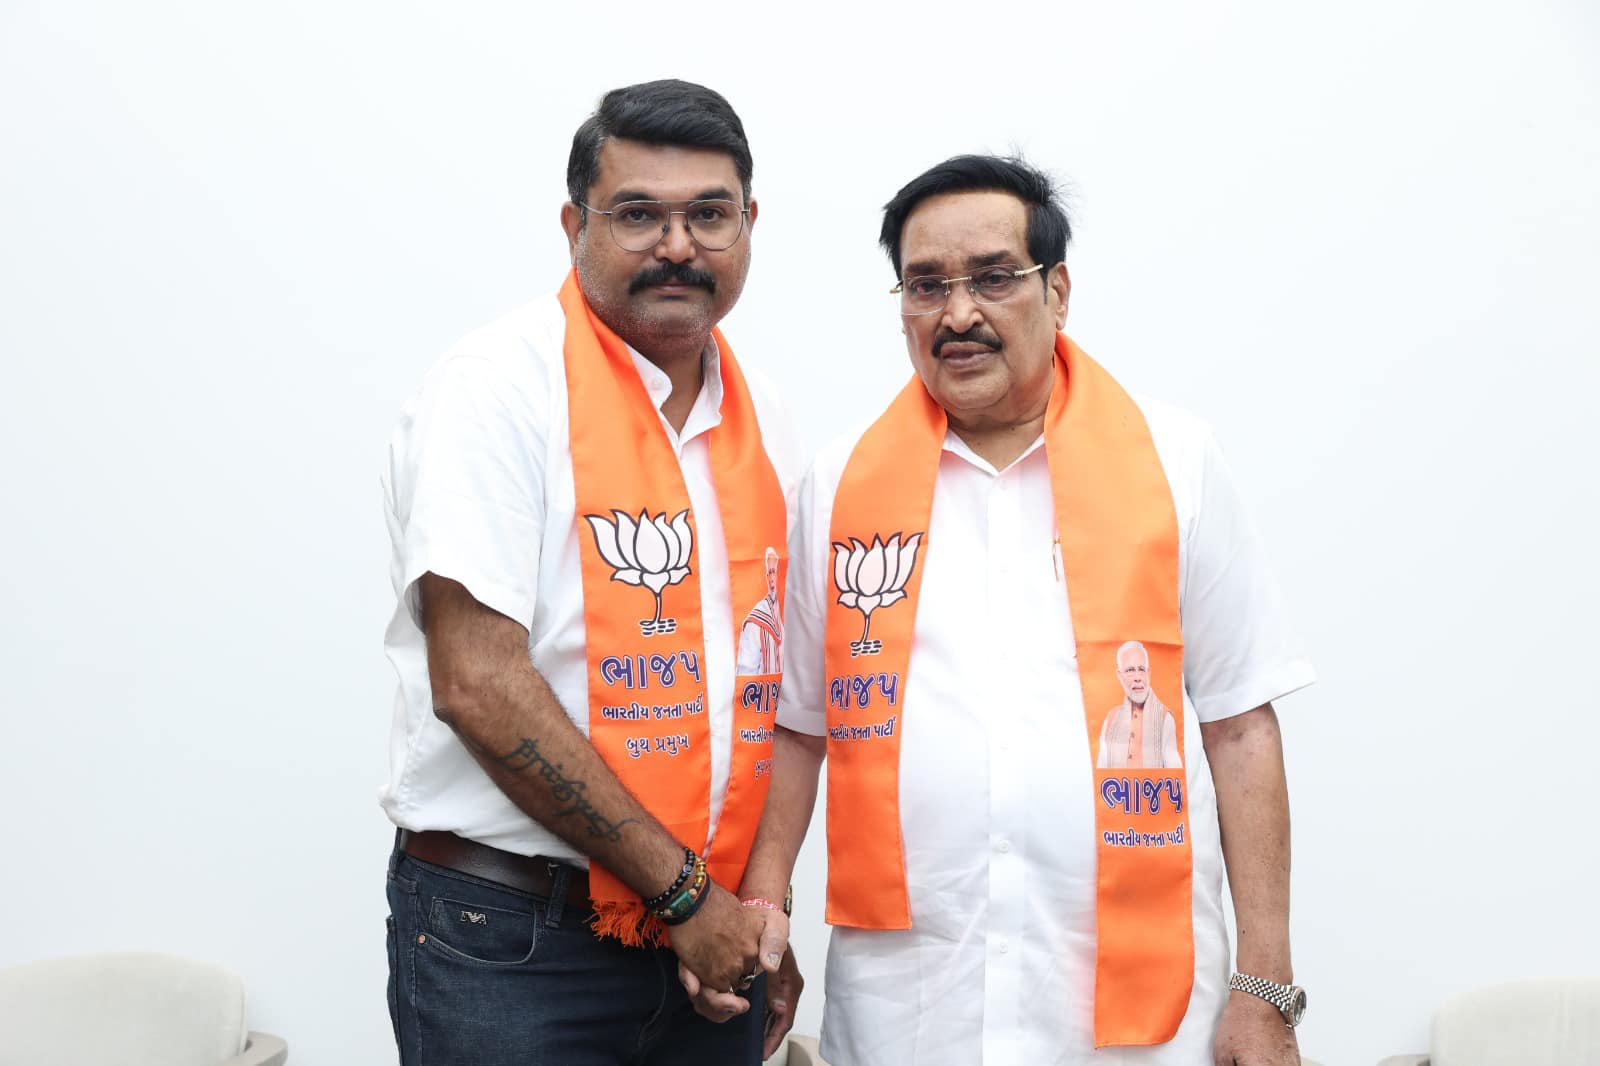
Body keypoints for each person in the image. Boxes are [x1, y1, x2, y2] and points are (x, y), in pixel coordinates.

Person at [739, 155, 1316, 1065]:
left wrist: (1266, 987)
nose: (958, 313)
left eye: (994, 278)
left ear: (1059, 292)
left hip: (1136, 1017)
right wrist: (762, 908)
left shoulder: (1176, 462)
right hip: (913, 1005)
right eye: (926, 285)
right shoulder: (842, 482)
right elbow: (799, 729)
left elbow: (1241, 725)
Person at [379, 80, 801, 1065]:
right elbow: (477, 683)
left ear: (749, 223)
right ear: (575, 226)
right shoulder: (496, 389)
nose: (678, 245)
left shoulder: (763, 417)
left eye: (709, 215)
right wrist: (684, 895)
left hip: (706, 951)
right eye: (638, 214)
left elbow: (768, 687)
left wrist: (753, 911)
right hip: (513, 945)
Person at [1098, 640, 1182, 769]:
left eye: (1141, 669)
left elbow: (1174, 770)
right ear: (1119, 676)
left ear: (1149, 674)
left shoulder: (1165, 717)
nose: (1138, 677)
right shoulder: (1111, 719)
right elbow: (1101, 769)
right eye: (1130, 670)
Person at [737, 547, 785, 675]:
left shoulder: (788, 615)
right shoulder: (756, 621)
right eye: (770, 573)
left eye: (775, 572)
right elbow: (746, 674)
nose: (771, 579)